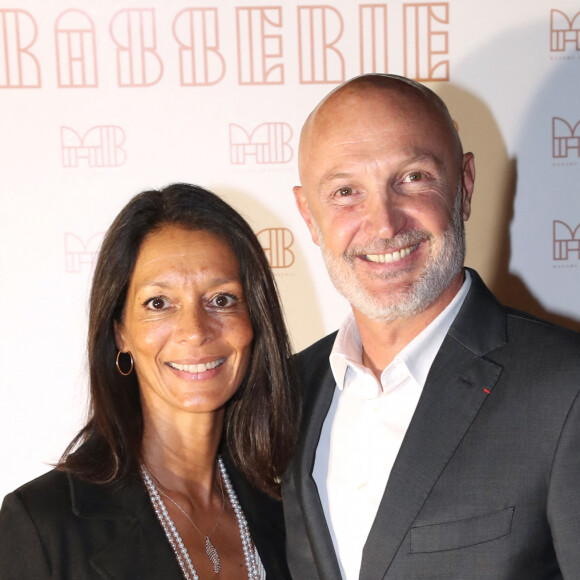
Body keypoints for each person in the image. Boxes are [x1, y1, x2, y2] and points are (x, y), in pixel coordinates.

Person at [282, 74, 580, 579]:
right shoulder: (285, 396)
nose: (383, 223)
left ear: (463, 186)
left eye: (413, 178)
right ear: (309, 216)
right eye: (345, 191)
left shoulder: (565, 388)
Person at [0, 183, 298, 579]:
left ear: (254, 321)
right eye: (159, 303)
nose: (195, 331)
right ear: (120, 331)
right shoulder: (42, 524)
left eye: (221, 299)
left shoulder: (289, 514)